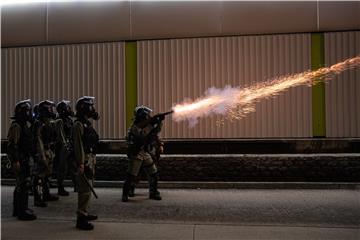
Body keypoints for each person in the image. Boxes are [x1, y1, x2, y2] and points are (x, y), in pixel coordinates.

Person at [122, 106, 164, 202]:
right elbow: (142, 135)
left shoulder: (145, 125)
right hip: (137, 153)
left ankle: (153, 193)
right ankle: (125, 194)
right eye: (147, 115)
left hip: (145, 152)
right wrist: (151, 124)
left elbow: (155, 132)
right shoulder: (134, 127)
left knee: (154, 173)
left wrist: (159, 122)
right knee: (132, 175)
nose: (149, 117)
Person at [73, 96, 100, 230]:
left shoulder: (86, 123)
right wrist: (81, 163)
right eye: (90, 106)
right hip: (84, 160)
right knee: (84, 190)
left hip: (90, 158)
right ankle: (81, 219)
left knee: (88, 188)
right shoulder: (78, 124)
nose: (92, 109)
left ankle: (85, 212)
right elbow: (78, 145)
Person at [7, 99, 37, 220]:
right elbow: (12, 145)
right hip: (20, 159)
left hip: (25, 158)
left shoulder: (24, 125)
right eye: (28, 111)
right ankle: (21, 211)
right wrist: (15, 160)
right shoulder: (16, 126)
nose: (30, 114)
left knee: (24, 184)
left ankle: (20, 208)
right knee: (22, 185)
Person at [32, 100, 59, 208]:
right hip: (42, 151)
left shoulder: (48, 122)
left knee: (46, 175)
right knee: (39, 176)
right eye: (50, 109)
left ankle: (46, 194)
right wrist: (41, 155)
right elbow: (38, 140)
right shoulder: (39, 123)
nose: (52, 111)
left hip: (48, 150)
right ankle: (37, 198)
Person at [55, 100, 78, 196]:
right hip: (63, 147)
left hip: (69, 145)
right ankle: (60, 187)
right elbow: (60, 136)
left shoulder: (69, 120)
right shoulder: (59, 121)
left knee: (73, 166)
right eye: (68, 108)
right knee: (62, 168)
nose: (70, 109)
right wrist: (65, 145)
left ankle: (77, 185)